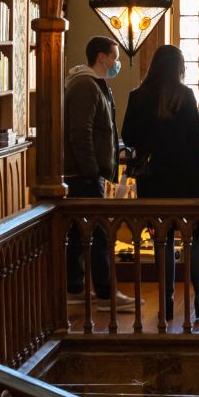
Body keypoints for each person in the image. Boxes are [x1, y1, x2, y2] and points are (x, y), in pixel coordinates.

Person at [121, 45, 199, 325]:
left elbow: (128, 135)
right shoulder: (184, 95)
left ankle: (167, 303)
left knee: (161, 239)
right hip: (187, 178)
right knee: (195, 238)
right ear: (179, 68)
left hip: (153, 179)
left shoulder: (138, 96)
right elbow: (198, 139)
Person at [63, 36, 136, 312]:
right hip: (86, 176)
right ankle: (106, 294)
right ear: (102, 56)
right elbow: (80, 134)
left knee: (83, 234)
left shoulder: (98, 85)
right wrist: (93, 172)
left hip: (97, 173)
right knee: (100, 234)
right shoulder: (84, 86)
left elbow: (101, 131)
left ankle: (76, 288)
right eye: (115, 56)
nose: (117, 62)